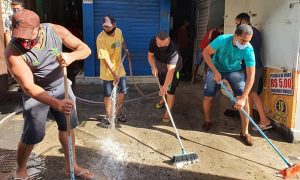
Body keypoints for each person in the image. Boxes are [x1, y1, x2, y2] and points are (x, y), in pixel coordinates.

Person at [5, 9, 94, 179]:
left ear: (39, 29)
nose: (24, 42)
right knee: (32, 135)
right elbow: (29, 87)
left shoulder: (54, 31)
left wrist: (72, 56)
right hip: (36, 93)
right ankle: (20, 170)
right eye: (19, 37)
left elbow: (86, 49)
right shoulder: (12, 51)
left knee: (68, 127)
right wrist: (57, 104)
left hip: (62, 87)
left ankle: (71, 166)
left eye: (28, 37)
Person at [202, 24, 256, 146]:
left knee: (245, 98)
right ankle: (207, 120)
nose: (245, 44)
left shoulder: (248, 49)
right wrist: (215, 72)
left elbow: (251, 76)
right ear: (235, 35)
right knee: (208, 96)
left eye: (248, 41)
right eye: (243, 40)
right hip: (215, 68)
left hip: (234, 70)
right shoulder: (222, 40)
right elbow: (205, 53)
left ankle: (245, 132)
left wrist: (242, 98)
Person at [224, 13, 272, 131]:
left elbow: (248, 52)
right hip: (251, 66)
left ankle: (264, 121)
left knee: (252, 93)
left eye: (237, 23)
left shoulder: (250, 33)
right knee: (249, 93)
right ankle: (249, 117)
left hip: (252, 67)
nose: (237, 26)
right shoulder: (255, 31)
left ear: (242, 21)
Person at [96, 15, 130, 125]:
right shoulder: (100, 38)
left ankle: (118, 113)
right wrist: (114, 74)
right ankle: (110, 117)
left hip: (120, 69)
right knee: (108, 95)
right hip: (107, 71)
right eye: (105, 27)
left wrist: (126, 50)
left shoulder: (119, 32)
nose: (106, 29)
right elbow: (105, 59)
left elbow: (122, 41)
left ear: (114, 25)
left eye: (109, 27)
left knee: (121, 93)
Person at [148, 31, 183, 122]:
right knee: (162, 86)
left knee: (170, 91)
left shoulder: (173, 49)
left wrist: (166, 86)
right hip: (160, 67)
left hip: (173, 70)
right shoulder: (152, 41)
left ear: (169, 40)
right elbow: (150, 56)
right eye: (159, 45)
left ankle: (168, 111)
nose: (162, 47)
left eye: (165, 45)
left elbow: (170, 72)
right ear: (156, 40)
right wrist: (153, 67)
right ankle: (163, 100)